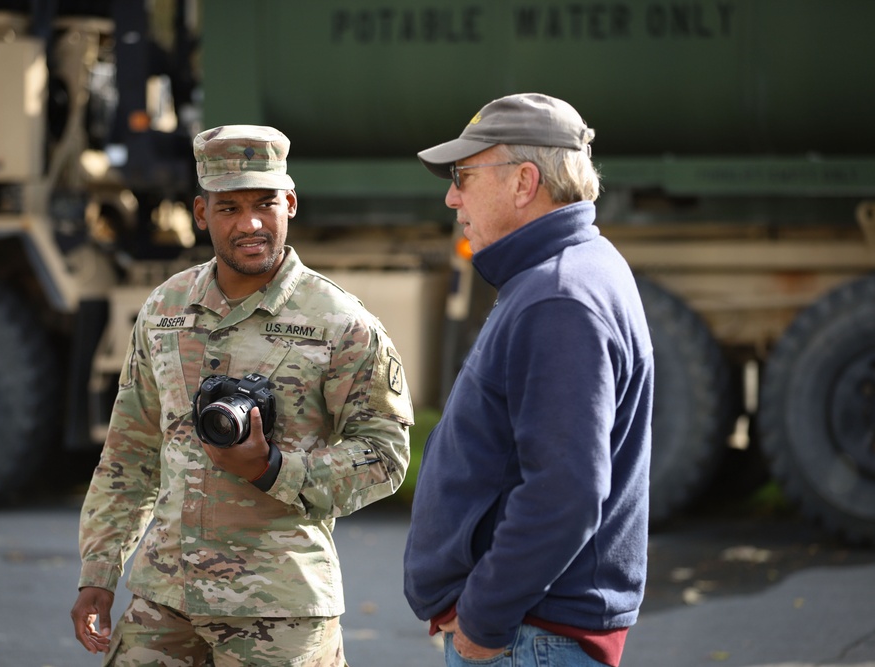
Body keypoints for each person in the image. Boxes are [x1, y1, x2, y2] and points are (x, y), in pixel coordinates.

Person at [71, 125, 413, 666]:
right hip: (164, 601)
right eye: (229, 207)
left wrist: (275, 468)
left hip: (280, 610)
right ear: (201, 214)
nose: (250, 223)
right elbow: (128, 455)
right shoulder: (165, 311)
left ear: (291, 203)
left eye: (265, 204)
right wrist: (99, 572)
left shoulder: (340, 324)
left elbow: (385, 456)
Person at [403, 93, 653, 667]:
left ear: (523, 182)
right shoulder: (570, 270)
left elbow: (563, 492)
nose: (451, 196)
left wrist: (483, 622)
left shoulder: (559, 296)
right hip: (534, 634)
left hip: (528, 639)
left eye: (464, 175)